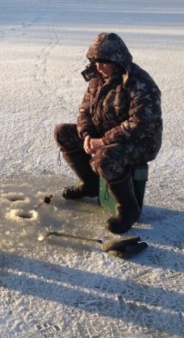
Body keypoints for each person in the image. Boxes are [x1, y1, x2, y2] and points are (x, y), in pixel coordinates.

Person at [54, 32, 163, 234]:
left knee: (105, 158)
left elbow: (140, 124)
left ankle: (129, 208)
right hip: (104, 133)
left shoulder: (140, 83)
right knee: (63, 133)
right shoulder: (97, 78)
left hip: (141, 142)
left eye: (103, 62)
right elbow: (84, 110)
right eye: (95, 61)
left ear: (117, 60)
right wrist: (87, 135)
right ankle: (90, 185)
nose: (98, 66)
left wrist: (103, 141)